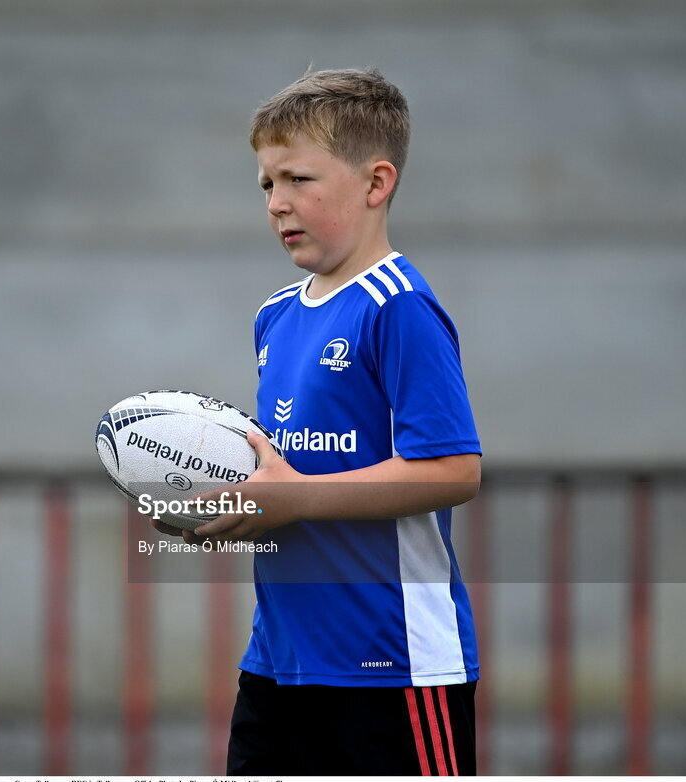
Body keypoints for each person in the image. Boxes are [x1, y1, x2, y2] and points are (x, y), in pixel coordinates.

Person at [152, 68, 483, 775]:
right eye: (267, 184)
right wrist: (231, 501)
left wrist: (296, 499)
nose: (278, 203)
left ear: (375, 183)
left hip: (391, 668)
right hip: (279, 660)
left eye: (300, 179)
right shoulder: (275, 314)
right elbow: (287, 470)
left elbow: (454, 471)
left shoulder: (398, 307)